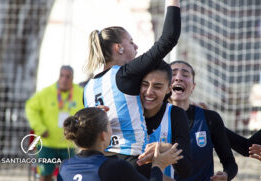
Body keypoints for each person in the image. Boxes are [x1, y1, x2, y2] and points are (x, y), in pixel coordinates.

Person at [83, 0, 181, 169]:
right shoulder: (124, 75)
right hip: (132, 160)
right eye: (131, 42)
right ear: (119, 48)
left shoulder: (87, 87)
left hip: (101, 162)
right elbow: (168, 39)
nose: (136, 46)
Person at [58, 107, 183, 181]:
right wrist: (158, 165)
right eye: (109, 125)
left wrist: (94, 118)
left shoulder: (64, 167)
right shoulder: (115, 167)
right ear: (103, 135)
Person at [169, 60, 238, 181]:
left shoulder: (210, 118)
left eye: (185, 75)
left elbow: (230, 163)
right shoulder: (154, 118)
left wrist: (226, 175)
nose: (178, 78)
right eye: (173, 74)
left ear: (193, 87)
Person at [25, 65, 84, 181]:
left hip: (69, 144)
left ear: (72, 79)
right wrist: (40, 128)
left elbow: (87, 112)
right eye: (62, 75)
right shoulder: (46, 93)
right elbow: (30, 108)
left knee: (70, 176)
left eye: (68, 76)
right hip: (47, 144)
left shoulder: (80, 93)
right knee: (45, 176)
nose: (64, 79)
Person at [137, 61, 191, 179]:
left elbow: (186, 170)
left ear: (168, 89)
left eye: (157, 86)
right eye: (145, 84)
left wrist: (167, 148)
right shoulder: (128, 111)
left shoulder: (176, 115)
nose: (149, 92)